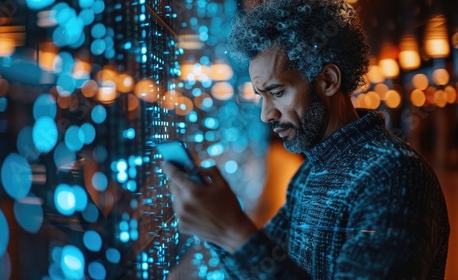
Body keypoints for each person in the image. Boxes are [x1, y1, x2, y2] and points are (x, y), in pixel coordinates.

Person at [162, 0, 450, 278]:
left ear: (328, 80)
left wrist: (231, 230)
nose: (266, 115)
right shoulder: (310, 171)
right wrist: (218, 225)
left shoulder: (394, 177)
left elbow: (252, 253)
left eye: (277, 93)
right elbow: (260, 266)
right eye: (261, 96)